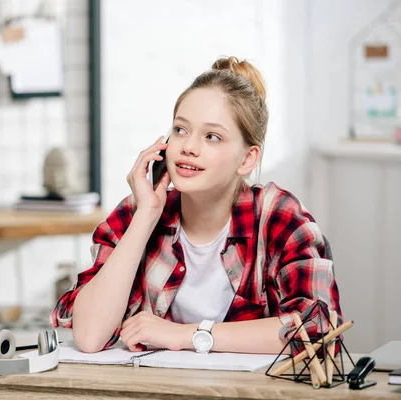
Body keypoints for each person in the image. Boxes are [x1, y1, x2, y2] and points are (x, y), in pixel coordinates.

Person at [50, 56, 342, 355]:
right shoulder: (137, 212)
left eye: (212, 136)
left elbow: (317, 330)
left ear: (247, 159)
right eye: (180, 130)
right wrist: (146, 217)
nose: (188, 146)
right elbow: (89, 337)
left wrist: (188, 335)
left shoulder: (279, 217)